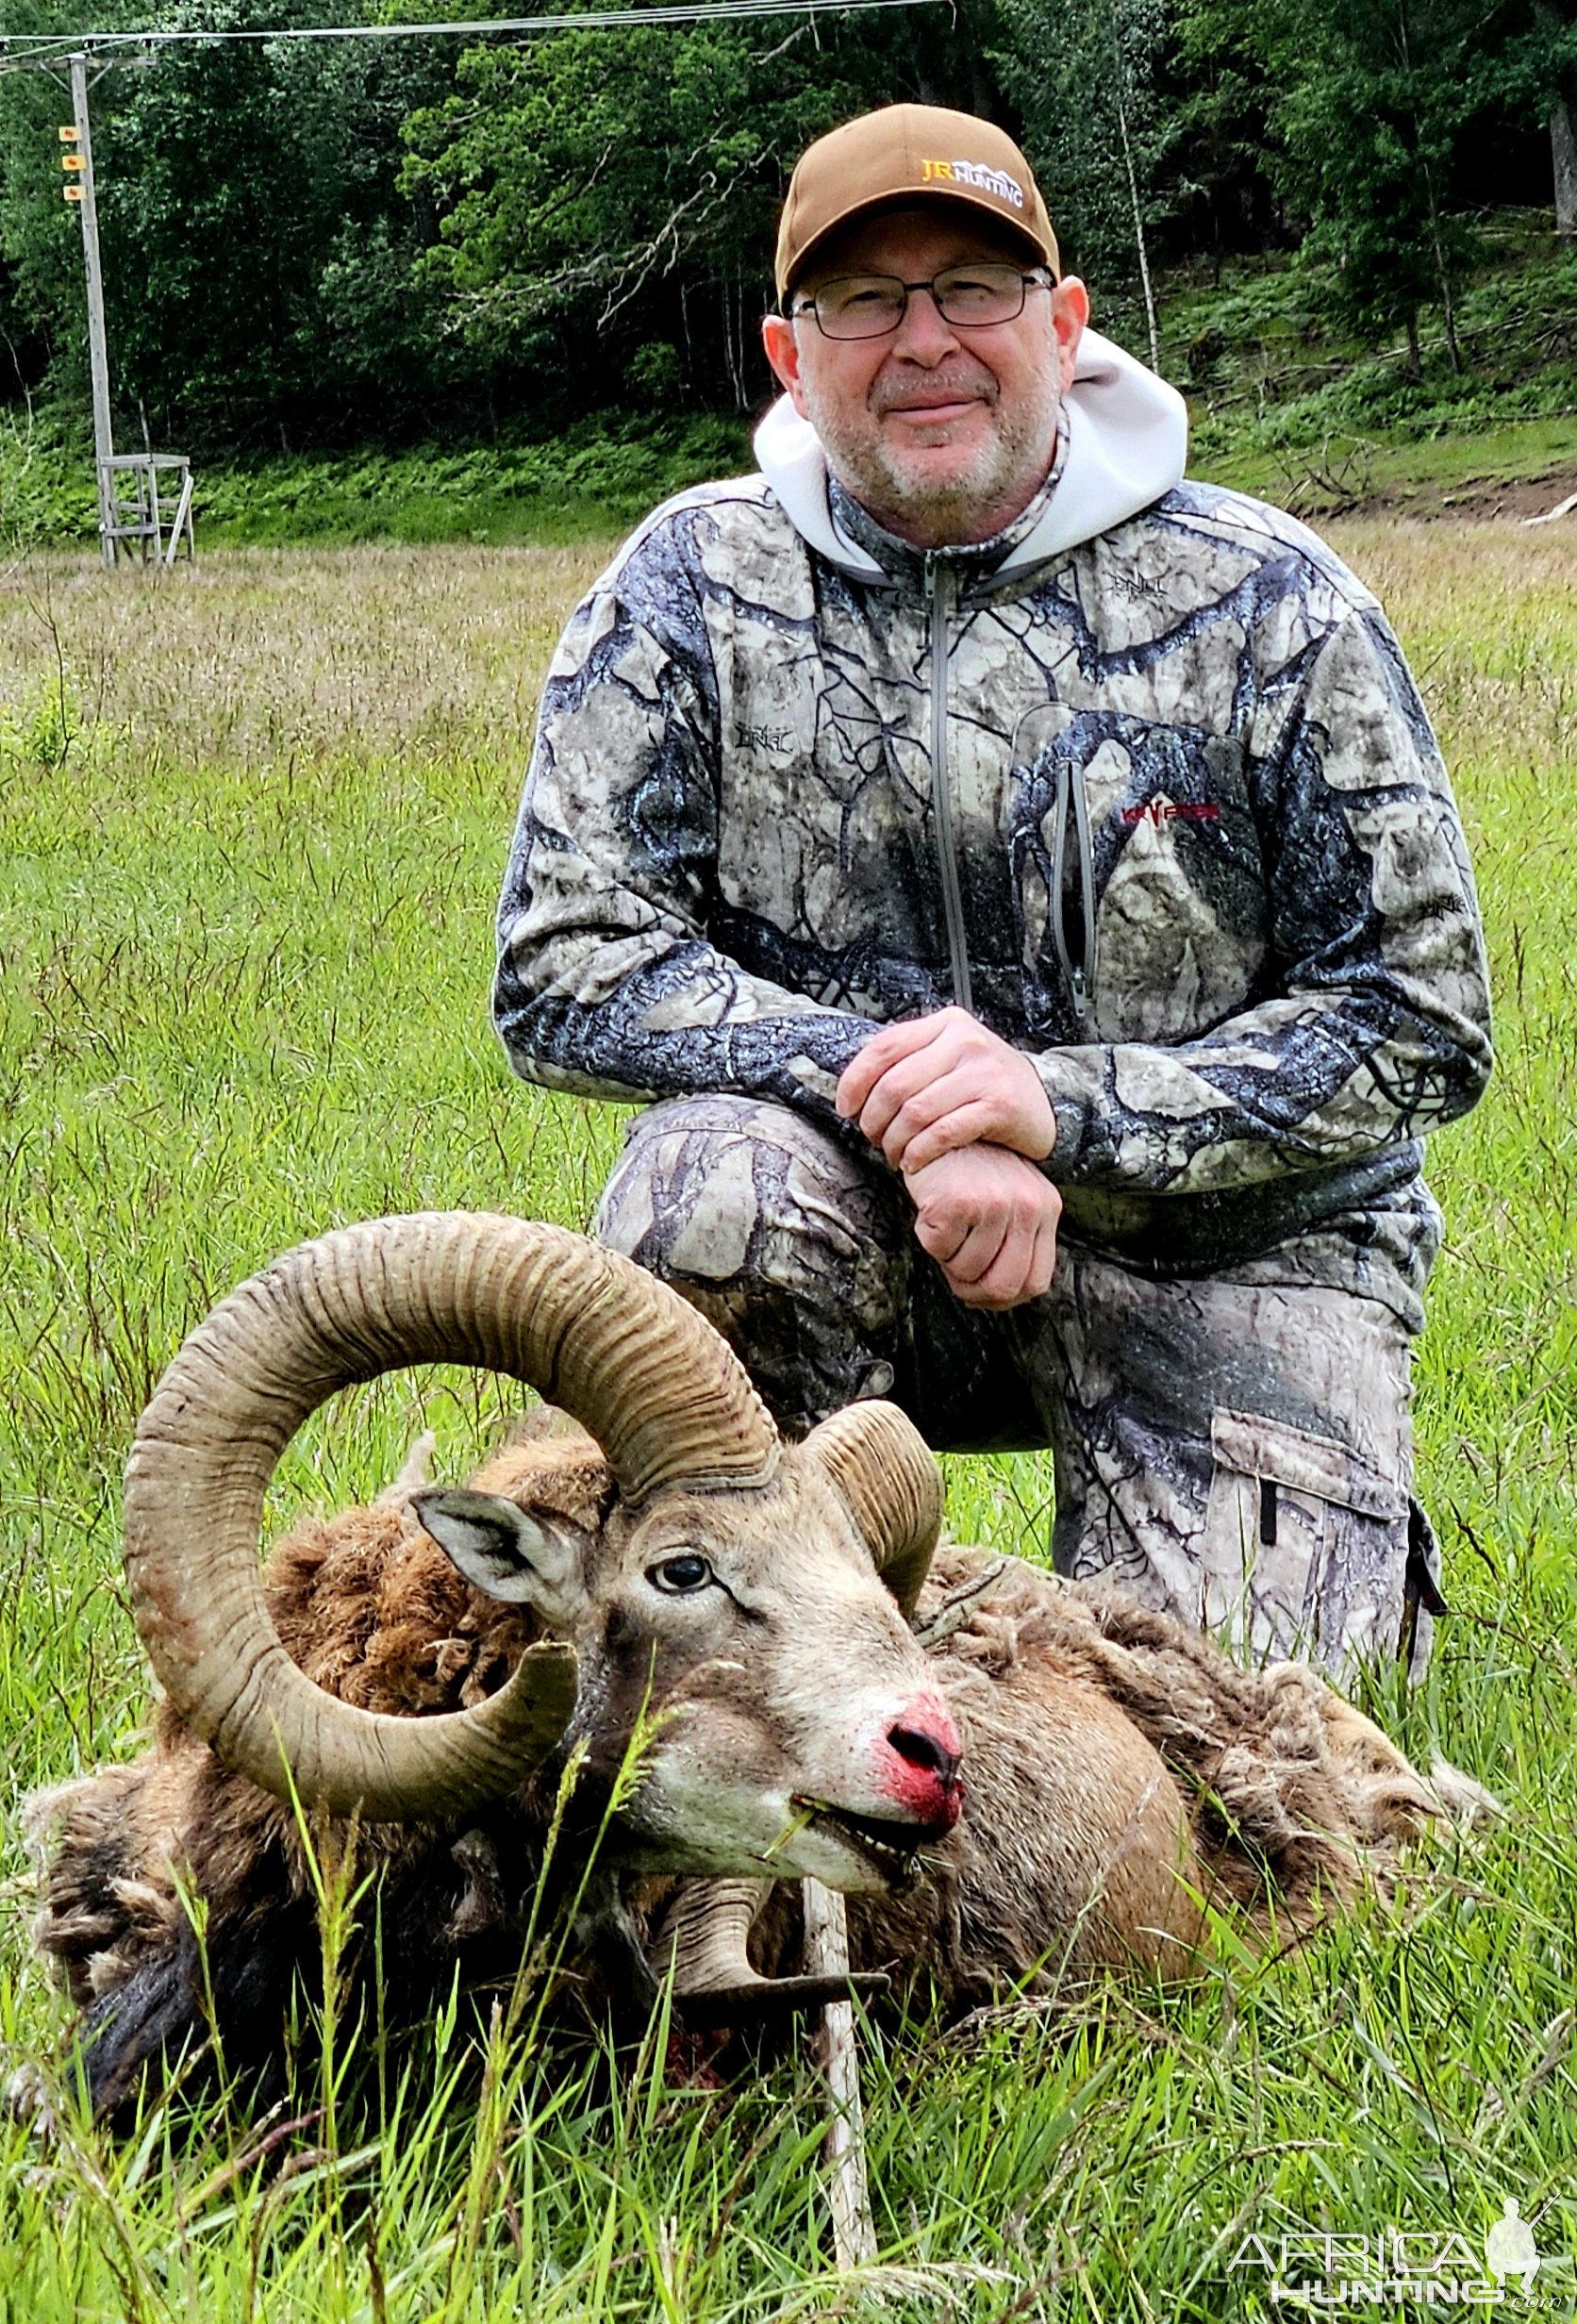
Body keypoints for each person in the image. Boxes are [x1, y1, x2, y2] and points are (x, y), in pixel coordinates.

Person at [492, 103, 1492, 1682]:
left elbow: (1422, 1022)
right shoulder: (689, 588)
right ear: (787, 353)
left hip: (1230, 1250)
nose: (924, 342)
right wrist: (915, 1107)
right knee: (711, 1197)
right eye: (864, 302)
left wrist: (1056, 1109)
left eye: (972, 289)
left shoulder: (1271, 600)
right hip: (861, 1227)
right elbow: (563, 964)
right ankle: (779, 1662)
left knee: (1231, 1769)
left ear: (1064, 320)